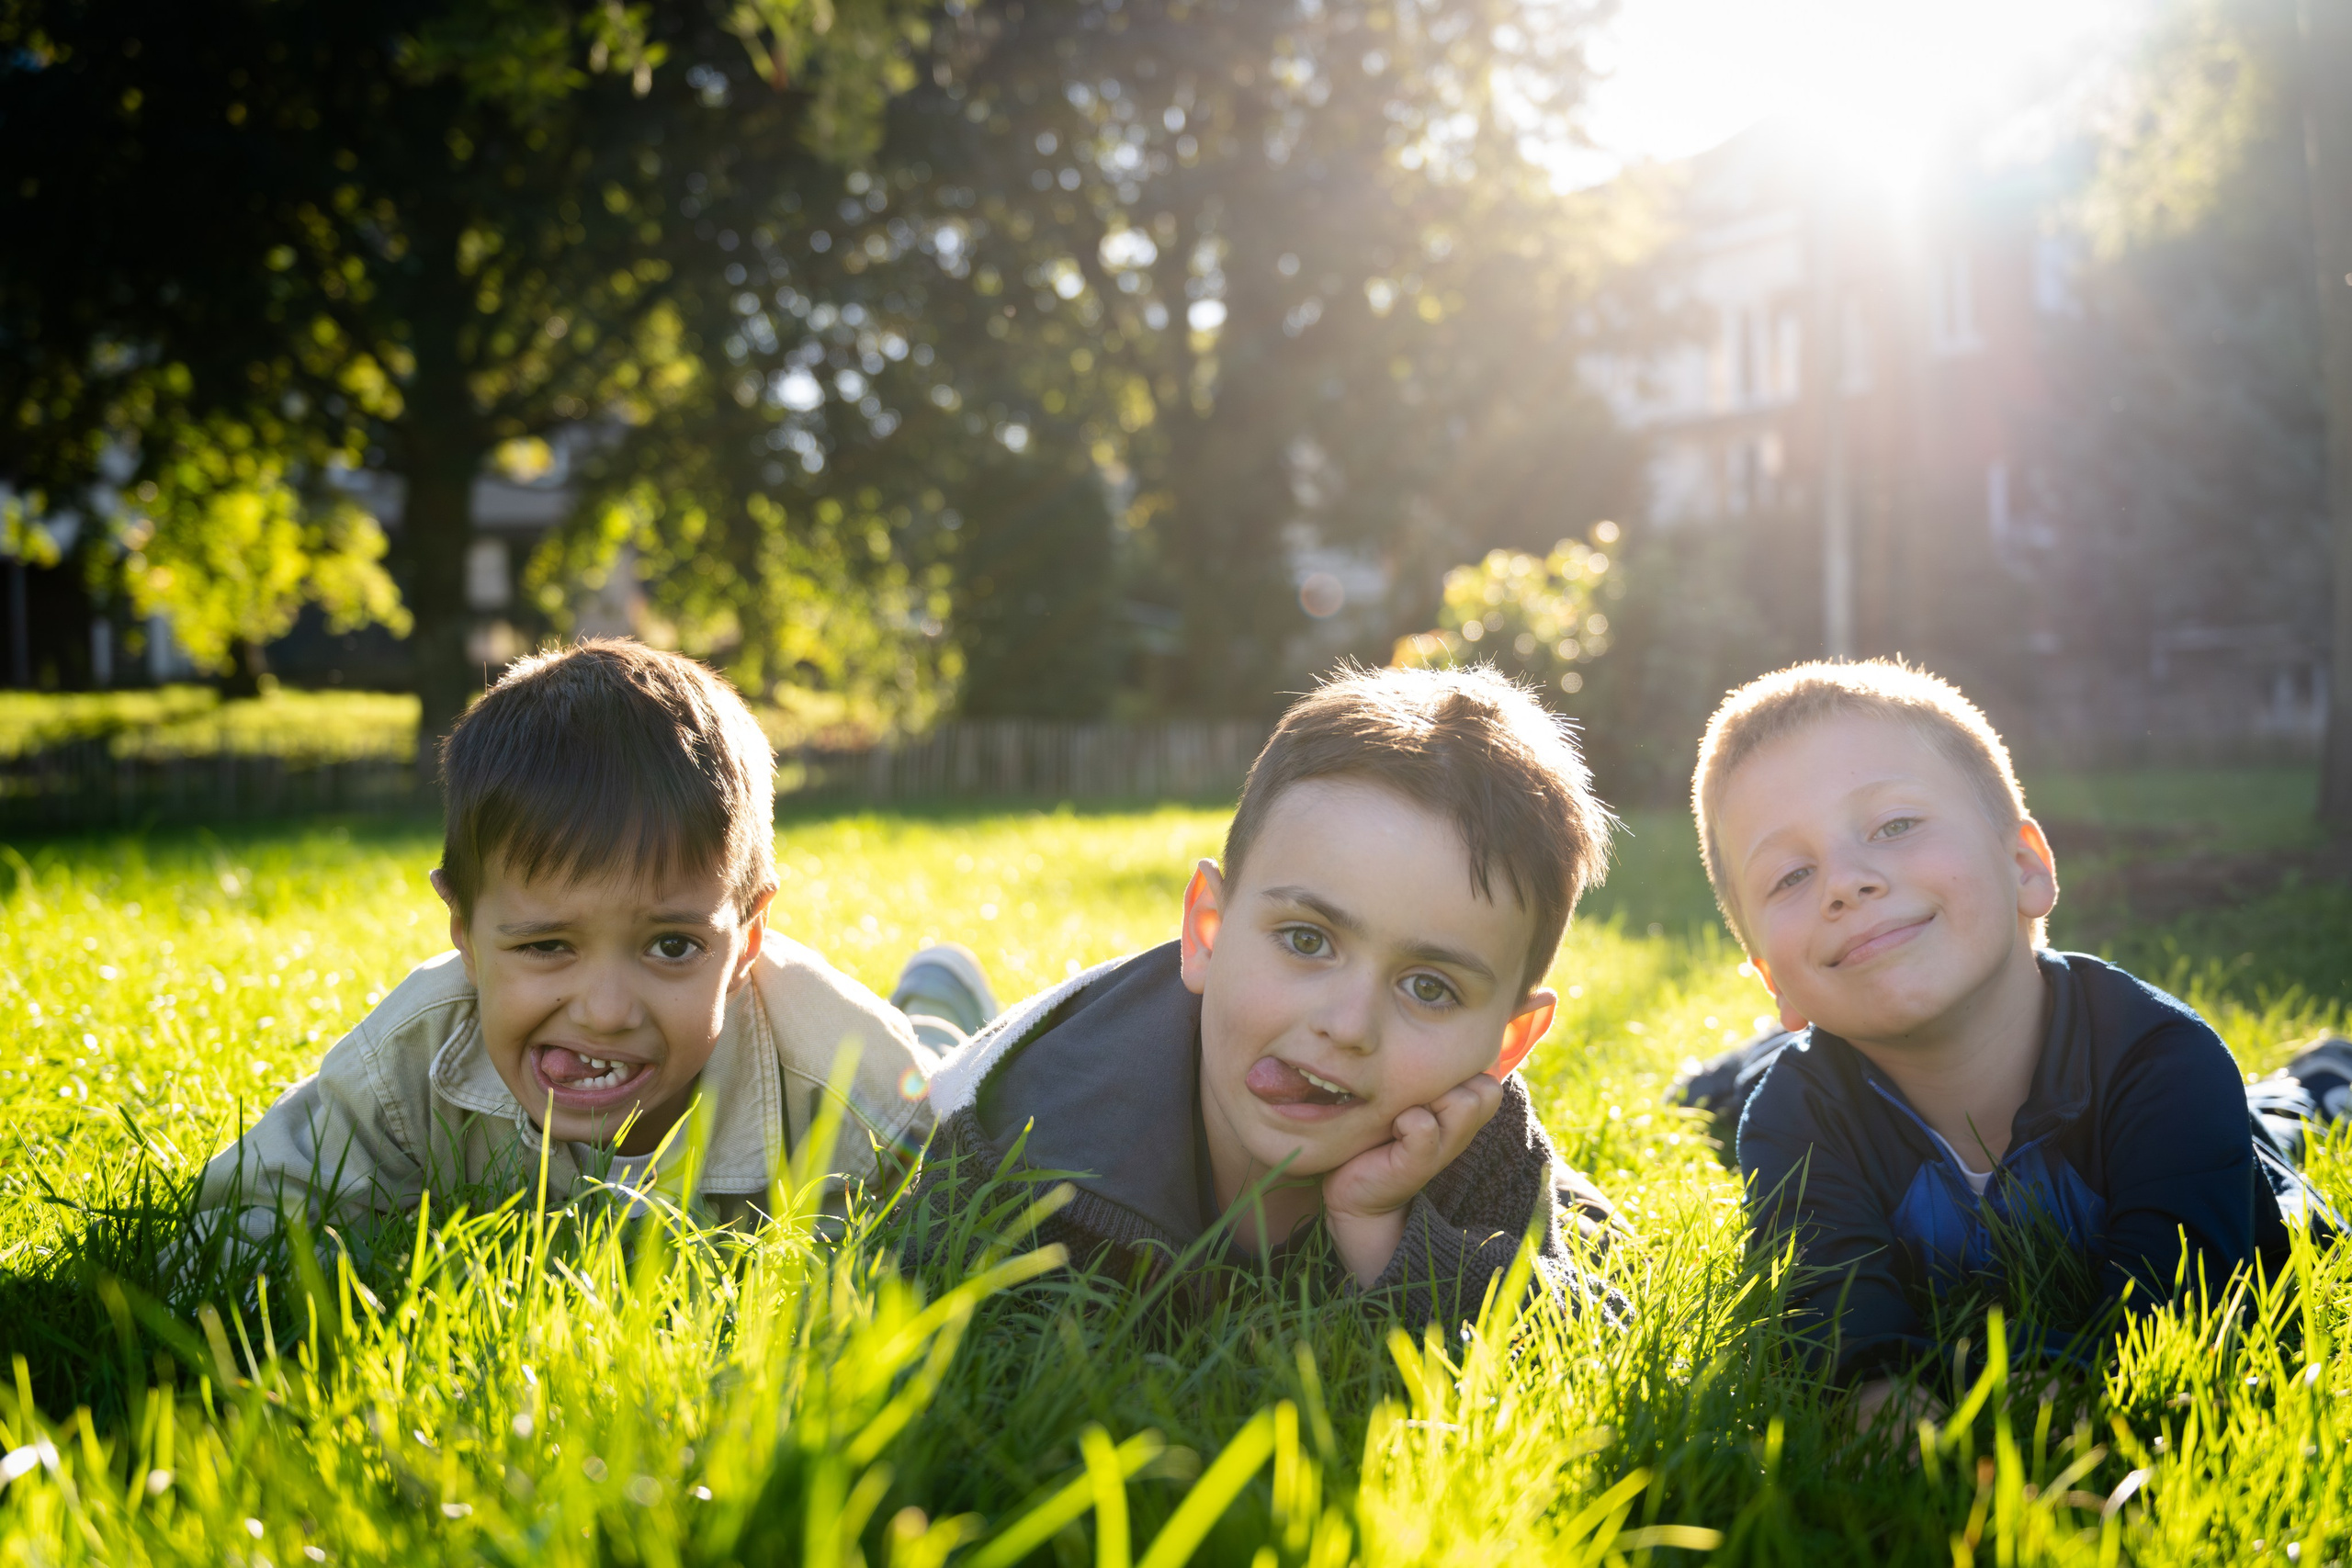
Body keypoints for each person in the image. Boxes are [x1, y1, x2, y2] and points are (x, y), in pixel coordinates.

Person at [1686, 659, 2340, 1421]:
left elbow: (2190, 1305)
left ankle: (2319, 1080)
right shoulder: (1794, 1116)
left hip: (2205, 1134)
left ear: (2025, 865)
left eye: (1895, 825)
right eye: (1792, 875)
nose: (1846, 881)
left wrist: (2060, 1381)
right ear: (1776, 983)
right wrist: (1874, 1396)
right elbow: (1827, 1300)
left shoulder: (2163, 1061)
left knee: (2273, 1129)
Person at [194, 639, 989, 1239]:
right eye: (547, 946)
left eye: (671, 946)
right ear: (464, 933)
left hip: (907, 1061)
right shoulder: (412, 1061)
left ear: (748, 937)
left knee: (950, 1065)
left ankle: (938, 1001)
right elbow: (240, 1221)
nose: (605, 1012)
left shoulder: (854, 1092)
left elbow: (962, 1253)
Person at [906, 664, 1623, 1328]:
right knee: (910, 1071)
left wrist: (1384, 1232)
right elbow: (894, 1285)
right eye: (1307, 940)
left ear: (1506, 1045)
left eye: (1428, 987)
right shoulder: (1032, 1136)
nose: (1347, 1026)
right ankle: (939, 1004)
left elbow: (1589, 1337)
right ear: (1206, 934)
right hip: (1014, 1054)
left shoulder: (1474, 1135)